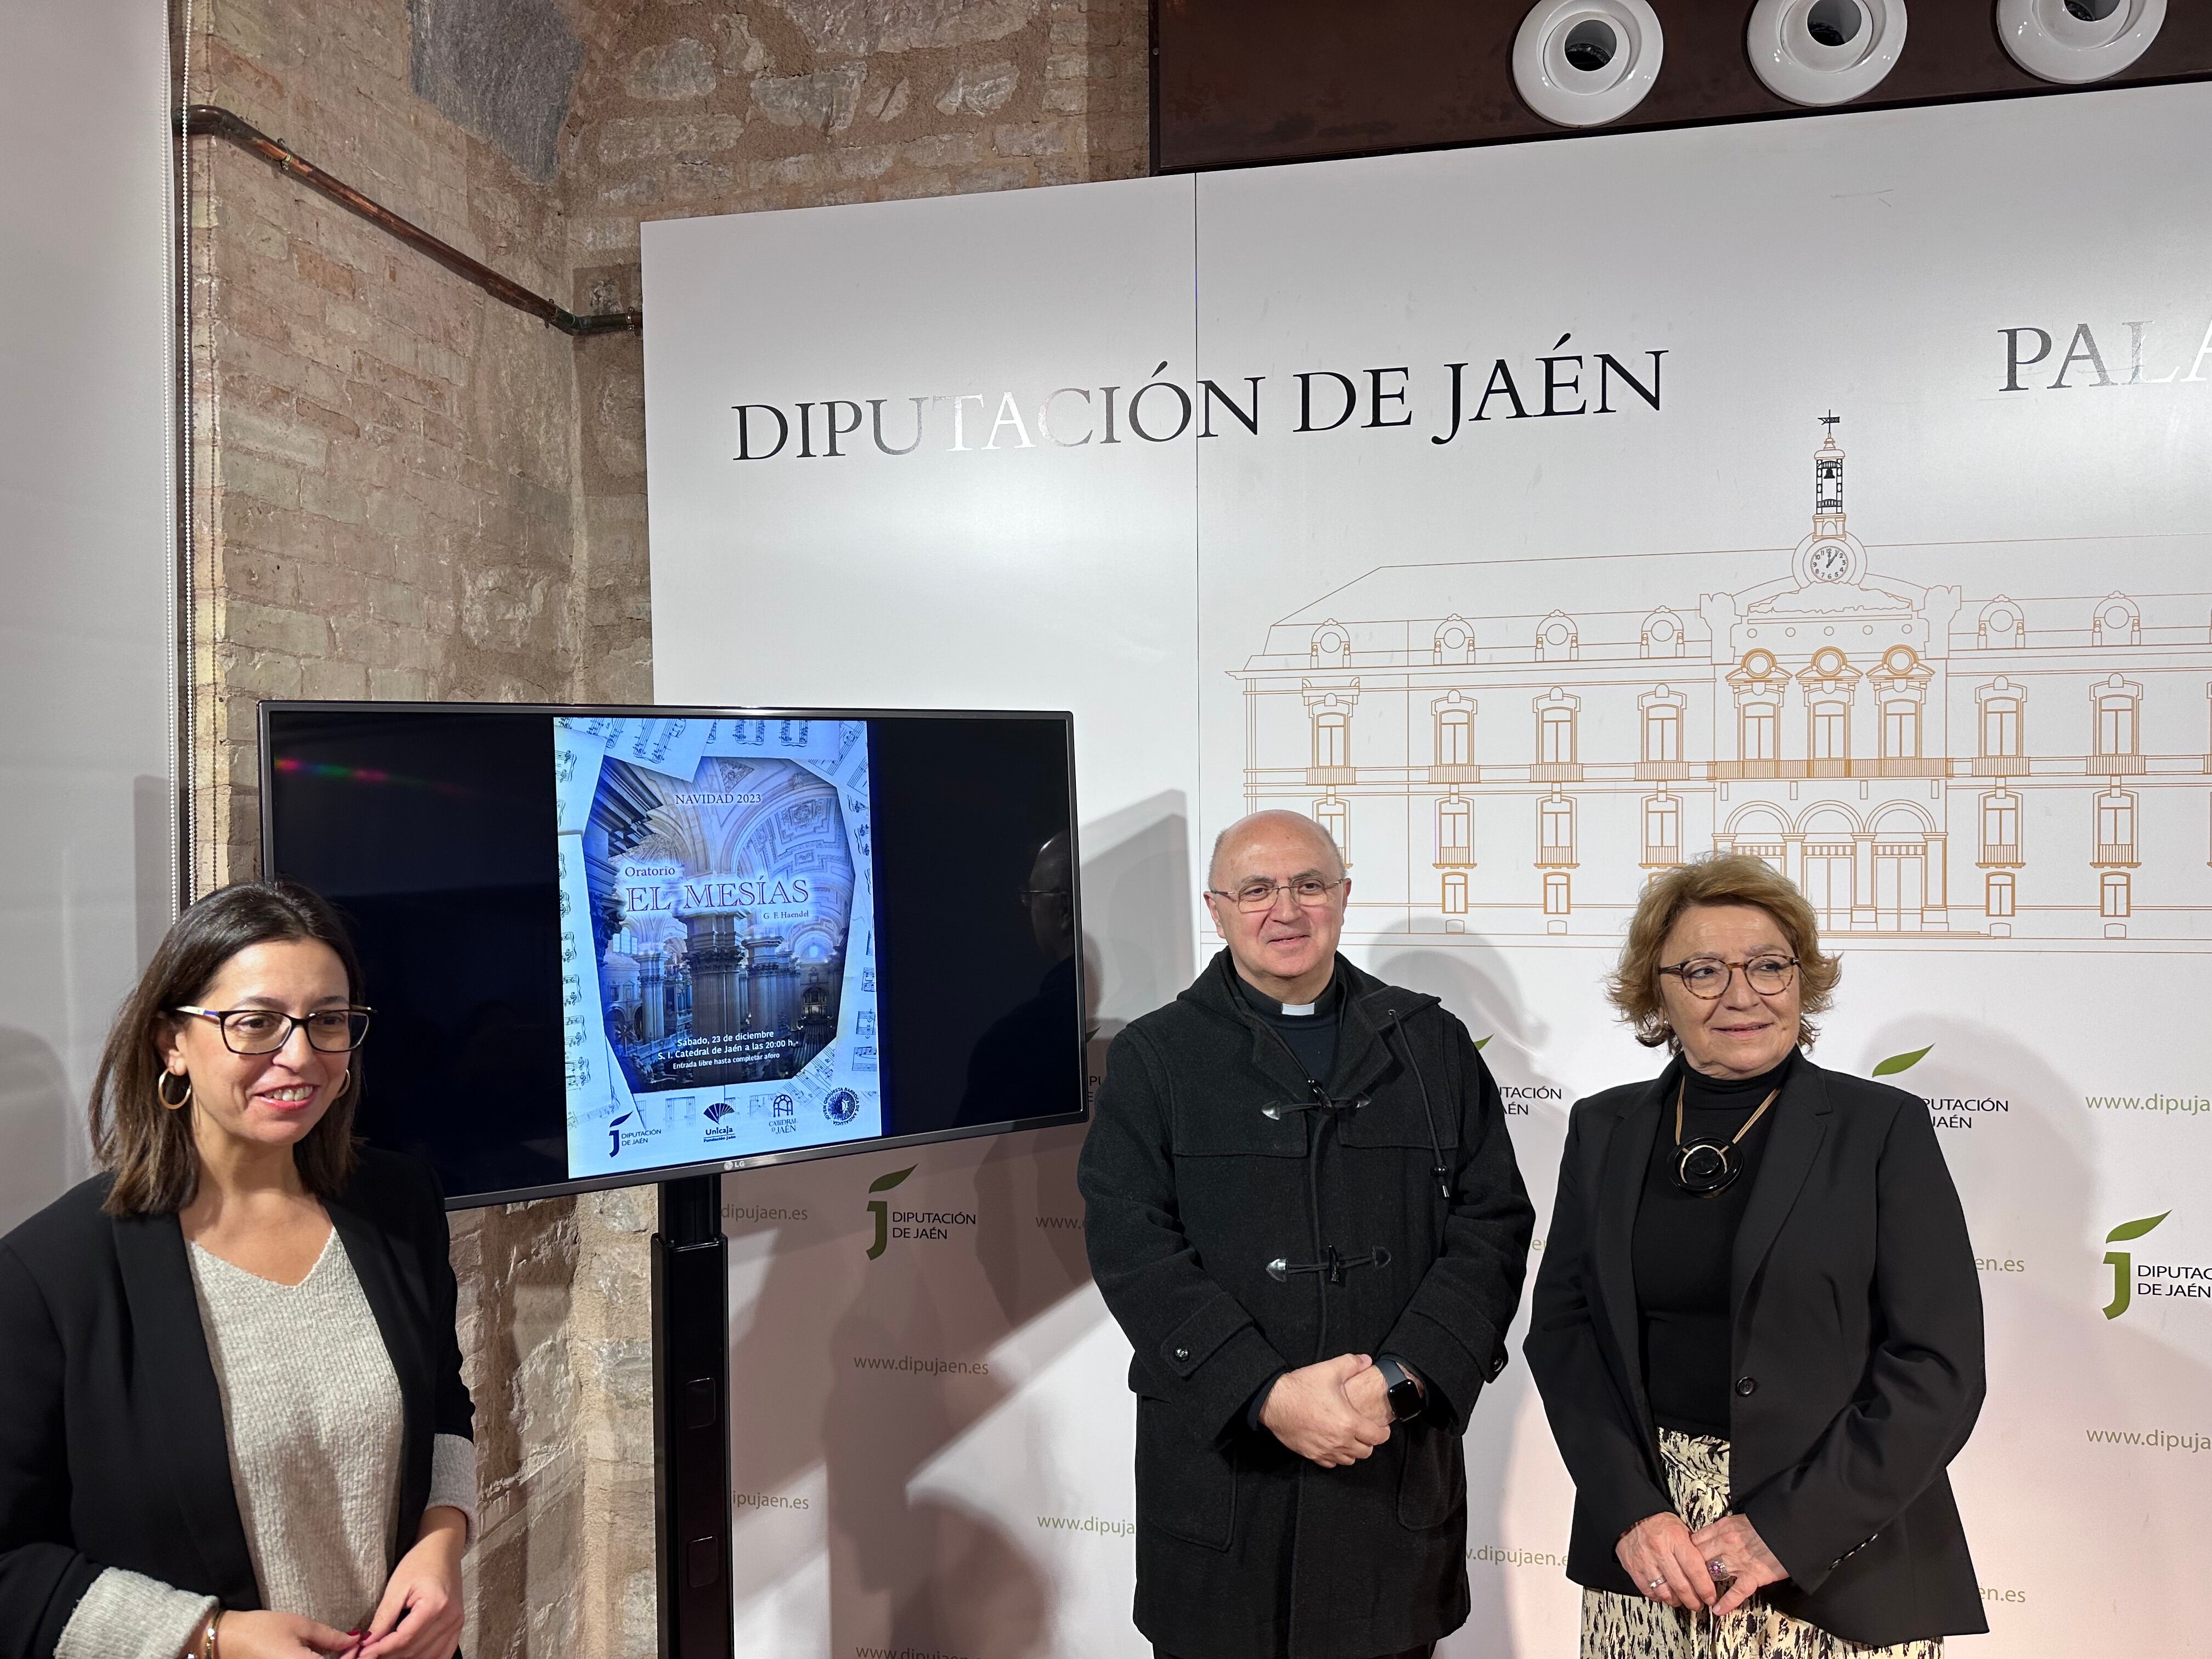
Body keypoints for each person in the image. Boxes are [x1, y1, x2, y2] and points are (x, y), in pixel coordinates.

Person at [1079, 810, 1533, 1659]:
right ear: (1215, 908)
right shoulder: (1154, 1057)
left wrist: (1398, 1380)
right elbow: (1130, 1242)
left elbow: (1494, 1223)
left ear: (1343, 897)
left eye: (1309, 884)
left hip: (1386, 1462)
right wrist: (1266, 1394)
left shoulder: (1430, 1046)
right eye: (1257, 889)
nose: (1285, 909)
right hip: (1226, 1479)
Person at [1524, 855, 1985, 1659]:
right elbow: (1565, 1334)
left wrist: (1782, 1532)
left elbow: (1939, 1368)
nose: (1743, 994)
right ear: (1655, 990)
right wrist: (1631, 1511)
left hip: (1838, 1552)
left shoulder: (1881, 1129)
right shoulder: (1604, 1130)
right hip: (1650, 1553)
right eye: (1703, 971)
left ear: (1802, 980)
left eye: (1770, 966)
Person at [0, 881, 475, 1659]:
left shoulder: (398, 1202)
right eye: (254, 1024)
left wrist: (442, 1538)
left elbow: (443, 1406)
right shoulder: (49, 1278)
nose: (301, 1055)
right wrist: (209, 1636)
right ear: (172, 1042)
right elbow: (12, 1567)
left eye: (328, 1021)